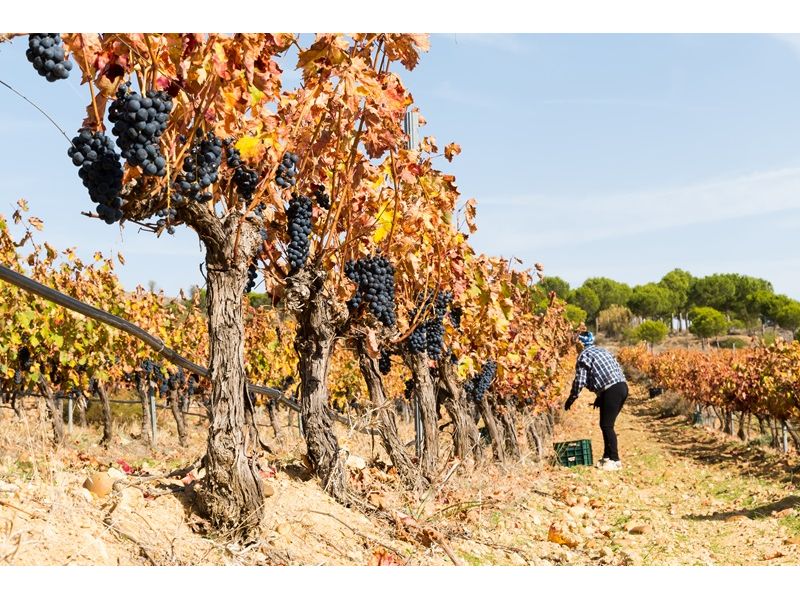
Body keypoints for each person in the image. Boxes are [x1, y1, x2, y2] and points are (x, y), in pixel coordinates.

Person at [563, 331, 628, 471]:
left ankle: (615, 460)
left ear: (580, 344)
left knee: (607, 425)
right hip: (622, 387)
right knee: (605, 424)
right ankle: (607, 456)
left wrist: (571, 399)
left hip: (611, 390)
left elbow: (579, 381)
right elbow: (611, 372)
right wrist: (600, 397)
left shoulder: (584, 356)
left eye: (575, 344)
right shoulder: (602, 350)